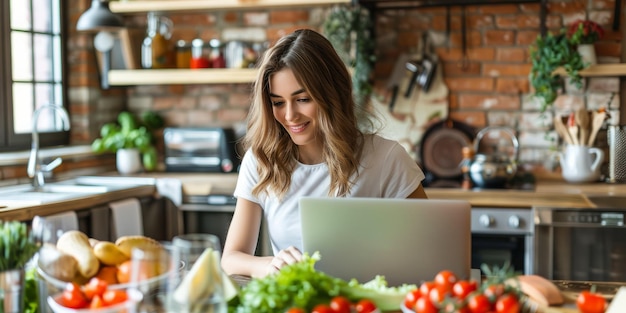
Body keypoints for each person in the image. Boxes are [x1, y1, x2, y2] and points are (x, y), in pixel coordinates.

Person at [221, 28, 427, 278]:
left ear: (332, 94)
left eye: (303, 99)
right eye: (277, 102)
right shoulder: (262, 160)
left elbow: (429, 251)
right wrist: (267, 265)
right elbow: (231, 258)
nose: (289, 115)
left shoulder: (386, 158)